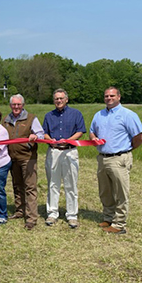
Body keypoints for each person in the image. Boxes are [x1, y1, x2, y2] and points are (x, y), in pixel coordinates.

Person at [90, 86, 142, 234]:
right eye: (106, 96)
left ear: (119, 97)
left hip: (119, 158)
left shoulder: (128, 114)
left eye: (112, 96)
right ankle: (108, 217)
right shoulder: (99, 115)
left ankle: (119, 224)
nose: (109, 98)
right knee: (105, 191)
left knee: (121, 192)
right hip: (102, 159)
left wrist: (128, 149)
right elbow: (92, 131)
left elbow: (140, 137)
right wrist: (93, 137)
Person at [43, 89, 86, 229]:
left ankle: (72, 215)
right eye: (56, 99)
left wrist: (68, 140)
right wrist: (51, 140)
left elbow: (80, 131)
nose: (59, 101)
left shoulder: (76, 114)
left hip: (69, 151)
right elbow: (44, 133)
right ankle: (52, 213)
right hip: (54, 152)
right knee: (52, 183)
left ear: (66, 99)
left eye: (61, 98)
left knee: (71, 184)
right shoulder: (49, 116)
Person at [2, 94, 44, 230]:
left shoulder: (31, 118)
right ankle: (20, 211)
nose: (16, 107)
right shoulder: (6, 120)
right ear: (10, 105)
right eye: (13, 104)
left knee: (30, 188)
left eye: (18, 104)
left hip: (28, 158)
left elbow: (41, 134)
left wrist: (35, 136)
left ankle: (31, 218)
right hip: (12, 158)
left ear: (23, 105)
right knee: (17, 185)